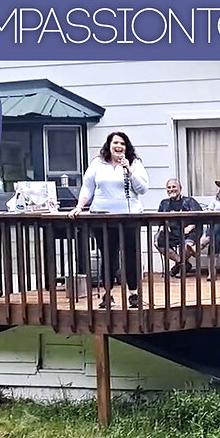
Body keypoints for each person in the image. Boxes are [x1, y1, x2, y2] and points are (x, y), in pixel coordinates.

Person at [70, 131, 148, 309]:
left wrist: (129, 170)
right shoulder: (97, 164)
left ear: (126, 147)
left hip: (130, 216)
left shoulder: (135, 164)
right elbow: (87, 187)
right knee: (108, 256)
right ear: (109, 145)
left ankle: (133, 294)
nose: (118, 146)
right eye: (115, 143)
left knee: (131, 255)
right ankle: (108, 294)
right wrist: (79, 207)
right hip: (103, 217)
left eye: (122, 143)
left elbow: (142, 189)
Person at [156, 178, 203, 277]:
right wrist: (164, 227)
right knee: (158, 242)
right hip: (173, 232)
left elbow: (201, 217)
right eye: (169, 187)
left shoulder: (189, 201)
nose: (171, 189)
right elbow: (159, 219)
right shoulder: (164, 203)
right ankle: (183, 264)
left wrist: (191, 226)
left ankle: (177, 267)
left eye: (174, 187)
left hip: (190, 231)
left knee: (187, 246)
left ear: (180, 188)